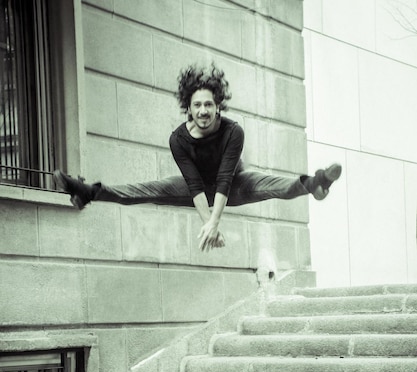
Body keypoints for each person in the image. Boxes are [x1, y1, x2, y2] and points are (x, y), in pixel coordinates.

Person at [54, 63, 341, 252]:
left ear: (218, 107)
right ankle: (87, 192)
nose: (203, 111)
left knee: (269, 184)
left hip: (234, 184)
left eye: (209, 105)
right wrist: (210, 225)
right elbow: (193, 185)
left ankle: (314, 183)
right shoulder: (178, 139)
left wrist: (214, 222)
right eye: (197, 106)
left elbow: (225, 180)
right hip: (198, 189)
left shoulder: (233, 132)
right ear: (188, 109)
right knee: (147, 190)